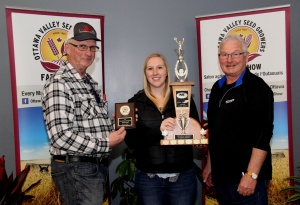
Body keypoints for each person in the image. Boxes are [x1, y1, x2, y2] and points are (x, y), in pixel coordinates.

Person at [41, 22, 126, 205]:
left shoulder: (90, 83)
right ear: (67, 48)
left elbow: (91, 124)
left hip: (92, 168)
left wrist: (118, 124)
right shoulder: (59, 82)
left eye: (92, 47)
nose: (88, 53)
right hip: (76, 169)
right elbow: (61, 136)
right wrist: (106, 143)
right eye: (81, 46)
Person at [202, 34, 274, 205]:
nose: (229, 59)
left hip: (247, 180)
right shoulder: (216, 88)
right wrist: (210, 165)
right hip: (222, 180)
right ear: (219, 58)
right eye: (224, 55)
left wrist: (251, 175)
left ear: (246, 56)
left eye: (235, 54)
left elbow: (263, 135)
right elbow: (216, 130)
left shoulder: (257, 88)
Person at [125, 53, 200, 205]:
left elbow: (195, 128)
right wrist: (159, 131)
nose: (155, 72)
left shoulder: (183, 97)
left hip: (182, 177)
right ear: (145, 73)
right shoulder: (135, 103)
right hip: (148, 179)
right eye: (150, 68)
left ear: (167, 71)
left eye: (160, 67)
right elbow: (131, 141)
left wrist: (198, 139)